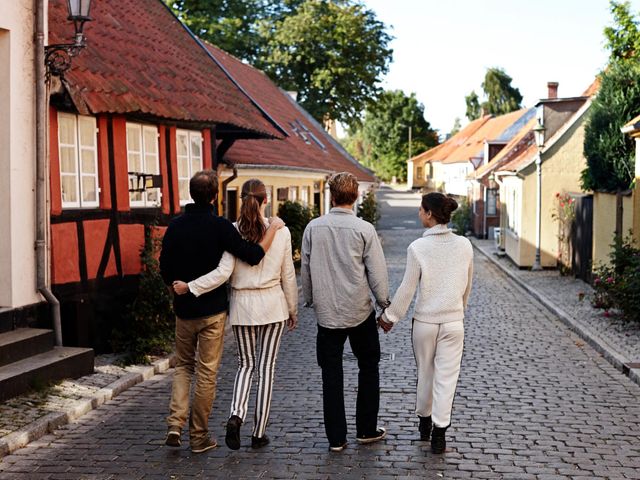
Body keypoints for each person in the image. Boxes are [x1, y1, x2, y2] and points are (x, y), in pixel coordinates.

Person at [159, 170, 284, 454]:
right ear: (215, 196)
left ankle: (175, 425)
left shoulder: (175, 226)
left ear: (191, 194)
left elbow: (164, 266)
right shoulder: (220, 227)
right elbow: (252, 255)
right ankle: (199, 436)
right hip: (212, 313)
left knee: (182, 368)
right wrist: (274, 229)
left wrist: (177, 287)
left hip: (183, 311)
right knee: (206, 372)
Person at [301, 172, 390, 452]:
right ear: (356, 196)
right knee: (368, 366)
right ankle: (365, 429)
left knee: (331, 373)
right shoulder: (364, 229)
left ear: (331, 195)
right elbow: (376, 272)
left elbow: (305, 268)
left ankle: (336, 438)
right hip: (359, 311)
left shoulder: (313, 228)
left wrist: (311, 299)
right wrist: (385, 303)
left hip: (327, 314)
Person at [378, 192, 473, 454]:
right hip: (453, 322)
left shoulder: (418, 248)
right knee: (447, 376)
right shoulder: (465, 245)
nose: (419, 213)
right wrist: (458, 310)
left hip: (425, 324)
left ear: (429, 214)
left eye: (421, 209)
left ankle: (424, 422)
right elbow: (467, 285)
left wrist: (389, 317)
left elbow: (407, 289)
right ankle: (440, 432)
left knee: (426, 373)